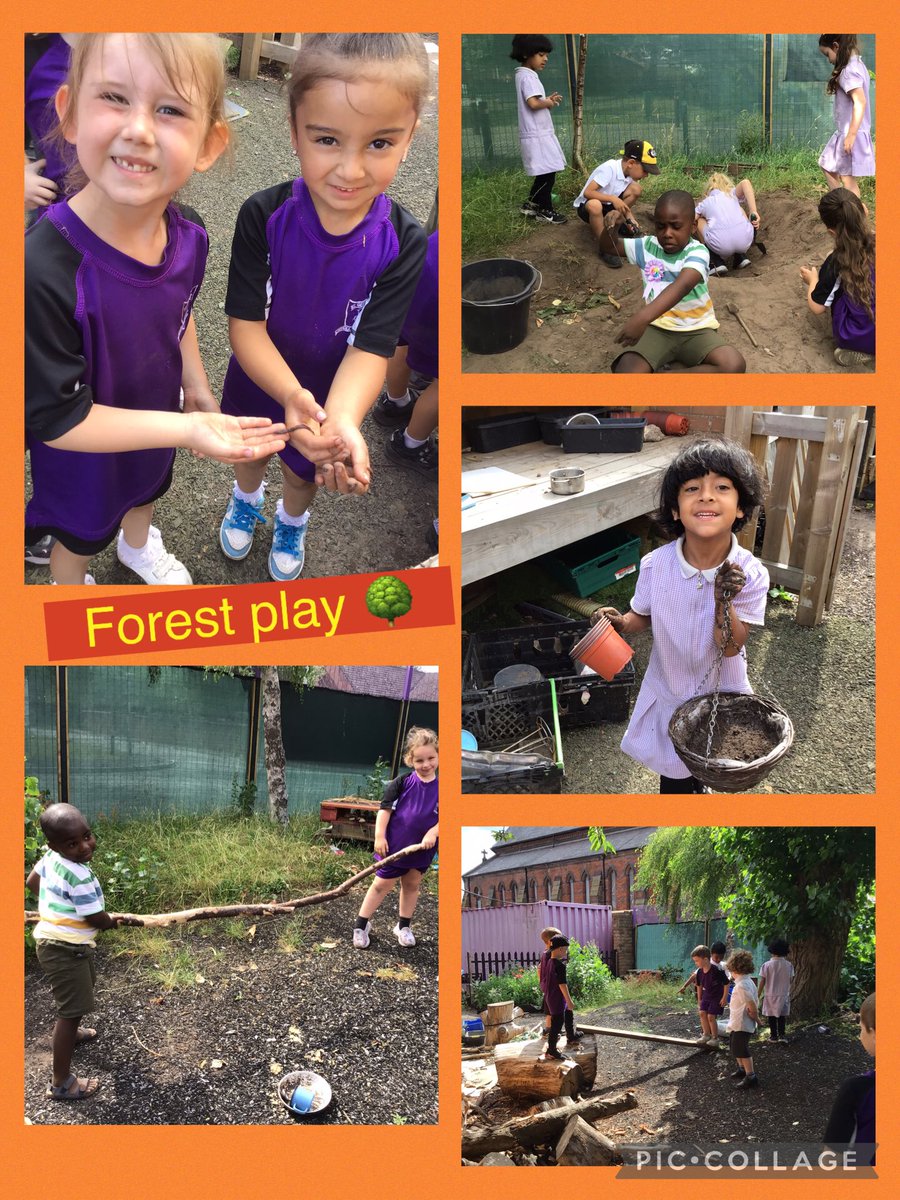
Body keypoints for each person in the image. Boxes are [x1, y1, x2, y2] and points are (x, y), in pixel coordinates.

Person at [25, 33, 290, 586]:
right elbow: (57, 420)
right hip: (81, 453)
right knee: (77, 538)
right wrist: (188, 429)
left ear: (208, 144)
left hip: (160, 418)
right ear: (69, 113)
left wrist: (193, 385)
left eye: (170, 109)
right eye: (114, 98)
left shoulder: (188, 234)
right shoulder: (38, 269)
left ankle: (138, 547)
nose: (139, 129)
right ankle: (67, 593)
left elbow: (179, 311)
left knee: (148, 491)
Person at [219, 34, 429, 581]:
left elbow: (372, 347)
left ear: (411, 136)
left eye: (380, 143)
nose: (351, 169)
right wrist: (290, 396)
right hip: (260, 377)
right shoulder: (261, 215)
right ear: (294, 131)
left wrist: (339, 425)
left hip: (332, 386)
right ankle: (245, 499)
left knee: (305, 470)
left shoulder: (405, 244)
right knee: (250, 453)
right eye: (328, 139)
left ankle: (292, 518)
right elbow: (244, 325)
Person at [596, 438, 768, 792]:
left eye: (722, 487)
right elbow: (641, 615)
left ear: (740, 507)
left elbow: (731, 646)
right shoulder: (655, 565)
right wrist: (622, 624)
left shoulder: (750, 573)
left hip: (723, 697)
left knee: (718, 770)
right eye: (692, 488)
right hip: (670, 688)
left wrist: (724, 600)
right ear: (675, 510)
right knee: (675, 778)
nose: (706, 496)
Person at [26, 803, 136, 1100]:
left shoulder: (50, 856)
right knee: (71, 1011)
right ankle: (61, 1082)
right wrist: (111, 923)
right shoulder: (80, 876)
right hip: (65, 948)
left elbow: (32, 883)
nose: (84, 846)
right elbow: (94, 918)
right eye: (72, 843)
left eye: (87, 836)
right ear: (55, 844)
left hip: (59, 944)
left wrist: (54, 905)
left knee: (83, 987)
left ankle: (71, 1034)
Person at [608, 190, 746, 373]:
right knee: (626, 371)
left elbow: (684, 285)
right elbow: (609, 247)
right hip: (658, 328)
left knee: (734, 365)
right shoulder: (647, 246)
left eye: (676, 226)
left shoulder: (697, 251)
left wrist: (642, 317)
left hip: (697, 329)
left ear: (693, 226)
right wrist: (610, 229)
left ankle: (669, 377)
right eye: (660, 226)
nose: (667, 233)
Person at [353, 727, 439, 949]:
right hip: (395, 846)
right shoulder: (401, 783)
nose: (426, 764)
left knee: (411, 884)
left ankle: (403, 926)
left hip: (423, 849)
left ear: (438, 755)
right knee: (380, 885)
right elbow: (384, 810)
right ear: (410, 760)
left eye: (431, 758)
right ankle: (361, 925)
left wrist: (434, 831)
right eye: (419, 760)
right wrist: (379, 836)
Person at [375, 229, 438, 480]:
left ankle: (395, 401)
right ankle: (412, 444)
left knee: (404, 340)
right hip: (443, 293)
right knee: (446, 382)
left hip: (424, 263)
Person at [800, 188, 875, 367]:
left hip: (857, 335)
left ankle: (858, 348)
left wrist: (813, 281)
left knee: (840, 286)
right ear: (864, 211)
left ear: (832, 232)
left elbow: (817, 308)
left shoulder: (837, 261)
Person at [573, 138, 659, 266]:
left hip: (608, 206)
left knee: (636, 189)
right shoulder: (609, 168)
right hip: (589, 207)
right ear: (631, 162)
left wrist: (630, 219)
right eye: (645, 170)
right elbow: (588, 193)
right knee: (595, 205)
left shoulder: (628, 173)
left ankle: (620, 223)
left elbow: (623, 203)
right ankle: (605, 246)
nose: (646, 175)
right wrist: (614, 199)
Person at [509, 35, 567, 225]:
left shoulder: (523, 75)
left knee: (545, 172)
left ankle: (531, 204)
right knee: (548, 174)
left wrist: (546, 100)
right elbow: (533, 103)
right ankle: (545, 210)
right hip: (538, 135)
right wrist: (548, 102)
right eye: (541, 54)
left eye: (546, 55)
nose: (545, 59)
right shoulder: (528, 76)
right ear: (526, 54)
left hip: (536, 133)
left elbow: (534, 101)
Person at [817, 36, 874, 198]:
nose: (828, 61)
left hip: (850, 134)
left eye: (827, 54)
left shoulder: (848, 71)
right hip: (847, 132)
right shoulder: (858, 65)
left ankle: (853, 212)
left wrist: (851, 135)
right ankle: (843, 207)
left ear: (836, 46)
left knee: (848, 181)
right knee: (827, 164)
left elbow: (860, 102)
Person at [824, 992, 875, 1164]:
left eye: (861, 1029)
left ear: (875, 1034)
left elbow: (832, 1158)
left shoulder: (858, 1089)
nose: (860, 1035)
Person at [695, 173, 763, 273]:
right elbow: (745, 182)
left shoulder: (705, 202)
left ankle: (714, 261)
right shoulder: (732, 194)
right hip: (746, 241)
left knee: (699, 220)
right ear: (727, 184)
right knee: (739, 209)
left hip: (719, 245)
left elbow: (691, 219)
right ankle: (741, 256)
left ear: (708, 190)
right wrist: (753, 211)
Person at [725, 949, 763, 1089]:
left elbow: (752, 1005)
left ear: (736, 969)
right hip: (737, 1022)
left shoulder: (742, 985)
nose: (730, 974)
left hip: (743, 1023)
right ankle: (742, 1069)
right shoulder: (746, 982)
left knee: (741, 1049)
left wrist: (758, 1020)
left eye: (730, 970)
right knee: (734, 1046)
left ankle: (751, 1076)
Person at [537, 927, 581, 1048]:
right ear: (552, 942)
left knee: (567, 1012)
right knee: (558, 1018)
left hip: (554, 990)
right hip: (554, 991)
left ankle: (570, 1035)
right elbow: (546, 974)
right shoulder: (550, 958)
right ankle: (552, 1047)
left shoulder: (548, 956)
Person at [686, 945, 728, 1049]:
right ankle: (706, 1034)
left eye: (696, 961)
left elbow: (726, 983)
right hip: (706, 996)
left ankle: (715, 1038)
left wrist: (724, 998)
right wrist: (699, 999)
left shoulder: (717, 970)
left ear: (705, 959)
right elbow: (699, 986)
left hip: (716, 997)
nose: (695, 963)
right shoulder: (699, 972)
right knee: (702, 1013)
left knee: (711, 1016)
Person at [758, 937, 795, 1042]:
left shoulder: (766, 965)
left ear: (772, 950)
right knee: (782, 1017)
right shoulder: (789, 965)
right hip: (783, 994)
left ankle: (773, 1036)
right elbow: (790, 979)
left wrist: (758, 994)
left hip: (770, 995)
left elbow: (762, 981)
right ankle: (782, 1035)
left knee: (771, 1017)